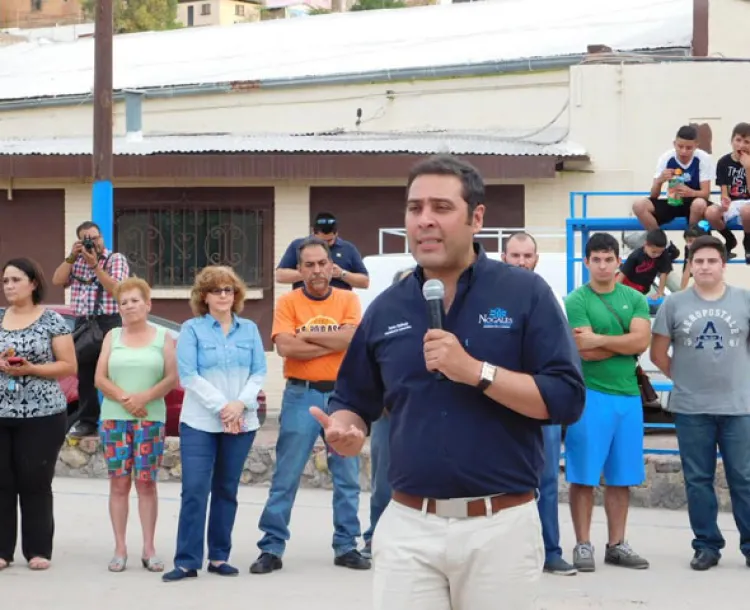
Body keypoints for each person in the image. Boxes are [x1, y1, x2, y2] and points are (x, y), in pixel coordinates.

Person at [311, 155, 586, 610]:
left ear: (477, 217)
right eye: (414, 208)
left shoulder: (524, 294)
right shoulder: (387, 308)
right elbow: (353, 400)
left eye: (441, 207)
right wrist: (345, 428)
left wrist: (477, 372)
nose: (425, 221)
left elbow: (565, 399)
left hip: (500, 526)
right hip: (407, 526)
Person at [251, 236, 369, 574]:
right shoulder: (288, 303)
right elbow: (287, 348)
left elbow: (351, 339)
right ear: (299, 269)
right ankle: (271, 547)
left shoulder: (348, 299)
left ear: (332, 266)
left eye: (322, 264)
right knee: (286, 474)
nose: (317, 271)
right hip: (300, 395)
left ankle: (346, 545)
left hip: (343, 396)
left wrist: (307, 338)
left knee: (346, 474)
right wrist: (331, 345)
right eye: (309, 265)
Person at [650, 235, 750, 571]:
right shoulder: (674, 304)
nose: (705, 266)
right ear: (690, 266)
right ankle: (706, 546)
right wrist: (685, 378)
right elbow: (658, 353)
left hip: (739, 408)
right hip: (692, 409)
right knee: (698, 479)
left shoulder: (744, 300)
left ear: (723, 265)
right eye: (699, 261)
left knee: (745, 478)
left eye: (711, 261)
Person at [163, 266, 267, 582]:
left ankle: (220, 557)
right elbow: (189, 376)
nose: (224, 295)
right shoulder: (192, 330)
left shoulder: (249, 329)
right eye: (217, 290)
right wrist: (224, 407)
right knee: (195, 489)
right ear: (204, 296)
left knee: (226, 489)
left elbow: (258, 373)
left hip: (241, 421)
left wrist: (238, 406)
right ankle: (186, 561)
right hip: (199, 422)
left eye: (229, 290)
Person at [563, 233, 651, 572]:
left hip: (628, 398)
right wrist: (624, 343)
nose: (602, 265)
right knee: (583, 475)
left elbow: (642, 339)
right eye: (596, 259)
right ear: (587, 262)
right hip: (590, 395)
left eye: (608, 258)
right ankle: (582, 544)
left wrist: (600, 340)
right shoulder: (576, 300)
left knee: (621, 476)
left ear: (618, 261)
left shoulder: (635, 297)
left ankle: (617, 544)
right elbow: (582, 350)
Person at [501, 231, 577, 576]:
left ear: (536, 259)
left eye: (527, 256)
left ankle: (551, 552)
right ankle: (506, 556)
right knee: (501, 482)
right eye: (514, 255)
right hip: (500, 403)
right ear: (504, 258)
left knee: (546, 481)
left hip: (542, 404)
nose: (521, 262)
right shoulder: (491, 299)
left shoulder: (551, 301)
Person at [94, 277, 178, 573]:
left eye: (134, 300)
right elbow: (100, 378)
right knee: (119, 483)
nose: (129, 306)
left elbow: (171, 378)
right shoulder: (112, 336)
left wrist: (144, 397)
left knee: (146, 483)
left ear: (148, 304)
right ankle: (119, 548)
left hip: (150, 420)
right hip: (115, 419)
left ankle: (149, 548)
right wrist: (125, 399)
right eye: (123, 302)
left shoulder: (163, 338)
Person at [0, 258, 77, 571]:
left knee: (35, 481)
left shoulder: (52, 321)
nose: (9, 286)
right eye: (5, 281)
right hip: (1, 412)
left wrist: (32, 369)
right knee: (1, 482)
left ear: (33, 283)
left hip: (42, 414)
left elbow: (68, 365)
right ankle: (3, 551)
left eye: (16, 280)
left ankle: (38, 550)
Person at [52, 221, 130, 439]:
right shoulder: (75, 261)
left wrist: (95, 265)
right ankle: (88, 421)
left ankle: (119, 419)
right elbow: (57, 280)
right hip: (83, 323)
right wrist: (71, 257)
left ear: (102, 238)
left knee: (115, 373)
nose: (91, 243)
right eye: (86, 239)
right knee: (85, 375)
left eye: (95, 238)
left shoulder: (115, 259)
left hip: (108, 322)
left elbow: (118, 289)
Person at [360, 267, 413, 561]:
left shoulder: (437, 323)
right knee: (383, 481)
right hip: (387, 416)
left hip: (423, 419)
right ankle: (374, 537)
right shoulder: (383, 323)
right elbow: (368, 368)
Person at [632, 125, 737, 257]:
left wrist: (690, 192)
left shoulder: (702, 158)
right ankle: (664, 245)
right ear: (674, 144)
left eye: (689, 148)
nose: (683, 151)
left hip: (696, 202)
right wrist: (660, 180)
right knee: (639, 205)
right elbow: (654, 196)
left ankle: (690, 249)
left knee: (698, 204)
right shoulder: (666, 158)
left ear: (696, 146)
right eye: (680, 146)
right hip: (674, 201)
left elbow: (705, 193)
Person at [276, 212, 370, 290]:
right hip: (305, 304)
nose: (325, 245)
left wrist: (342, 274)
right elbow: (280, 276)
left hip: (338, 305)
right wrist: (309, 273)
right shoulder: (297, 246)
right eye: (322, 241)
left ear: (336, 233)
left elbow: (365, 282)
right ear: (313, 232)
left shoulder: (348, 248)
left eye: (329, 241)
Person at [704, 122, 750, 264]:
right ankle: (729, 239)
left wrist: (748, 168)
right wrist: (724, 201)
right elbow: (724, 191)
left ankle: (748, 242)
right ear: (732, 141)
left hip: (748, 203)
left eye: (747, 142)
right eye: (738, 140)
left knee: (746, 211)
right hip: (734, 202)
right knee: (710, 212)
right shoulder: (723, 162)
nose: (741, 145)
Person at [616, 228, 672, 298]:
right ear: (645, 245)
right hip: (628, 280)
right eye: (654, 252)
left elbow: (663, 274)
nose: (657, 255)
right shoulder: (635, 256)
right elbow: (622, 274)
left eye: (660, 252)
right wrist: (615, 291)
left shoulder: (663, 254)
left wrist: (660, 293)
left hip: (642, 286)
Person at [680, 222, 711, 290]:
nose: (688, 244)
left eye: (690, 241)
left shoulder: (710, 249)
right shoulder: (688, 248)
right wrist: (681, 291)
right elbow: (687, 271)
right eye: (686, 241)